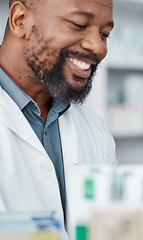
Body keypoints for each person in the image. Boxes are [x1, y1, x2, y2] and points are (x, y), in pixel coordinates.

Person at [0, 0, 118, 234]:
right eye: (78, 24)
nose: (98, 48)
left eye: (104, 34)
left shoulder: (94, 128)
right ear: (20, 20)